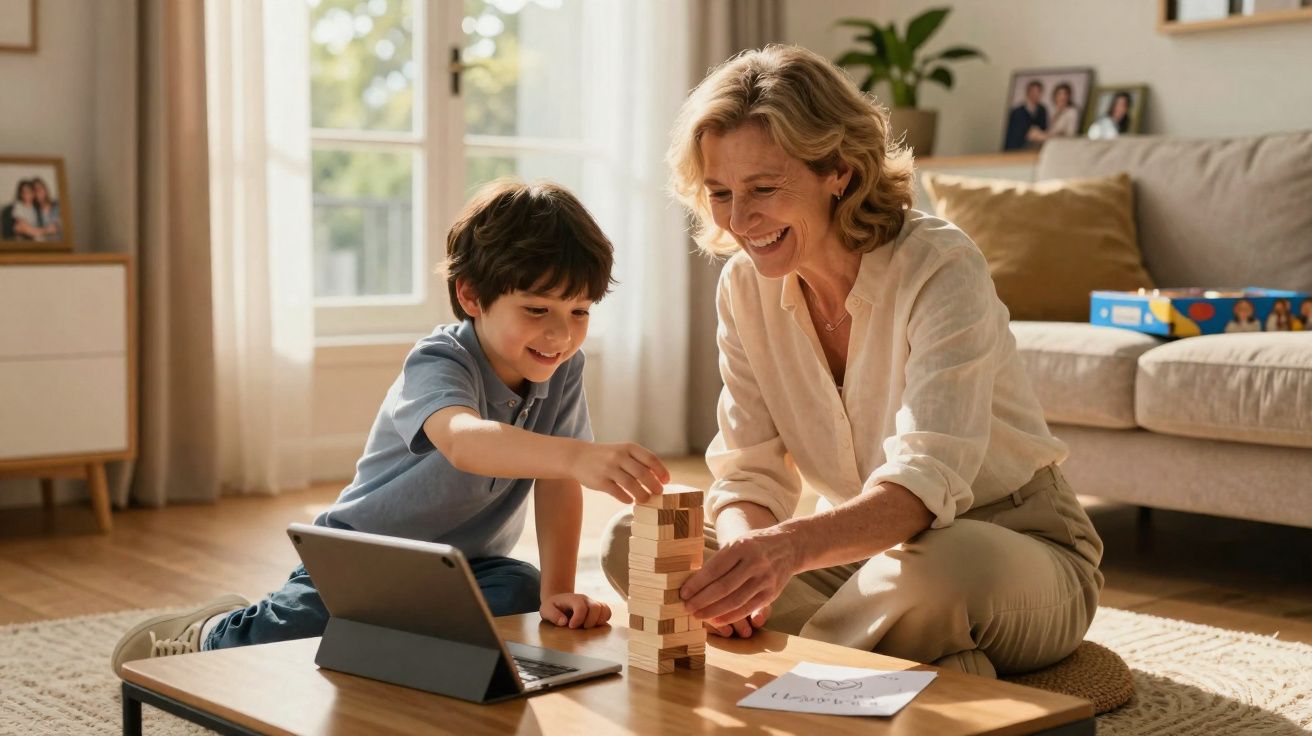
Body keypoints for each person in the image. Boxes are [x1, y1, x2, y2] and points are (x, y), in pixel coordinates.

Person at [602, 45, 1103, 678]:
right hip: (862, 559)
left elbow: (926, 482)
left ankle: (812, 677)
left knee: (935, 574)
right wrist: (742, 559)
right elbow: (750, 471)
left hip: (1007, 544)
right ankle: (921, 665)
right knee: (638, 543)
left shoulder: (940, 267)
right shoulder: (742, 286)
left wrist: (783, 553)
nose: (739, 219)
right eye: (721, 192)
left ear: (838, 169)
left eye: (763, 188)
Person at [112, 178, 672, 675]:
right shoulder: (439, 360)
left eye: (579, 312)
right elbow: (462, 441)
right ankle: (214, 631)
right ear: (471, 296)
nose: (561, 336)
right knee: (295, 633)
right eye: (537, 310)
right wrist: (575, 456)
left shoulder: (563, 368)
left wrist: (559, 591)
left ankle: (396, 650)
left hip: (465, 567)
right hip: (362, 558)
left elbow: (555, 484)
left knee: (522, 593)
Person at [1003, 80, 1048, 151]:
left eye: (1038, 92)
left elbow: (1044, 129)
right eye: (1033, 91)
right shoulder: (1017, 112)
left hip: (1036, 149)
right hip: (1016, 149)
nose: (1036, 94)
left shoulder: (1042, 110)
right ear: (1028, 92)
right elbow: (1014, 136)